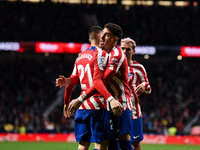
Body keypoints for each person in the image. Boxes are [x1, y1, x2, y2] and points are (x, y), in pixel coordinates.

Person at [68, 23, 134, 150]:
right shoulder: (101, 54)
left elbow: (101, 81)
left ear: (115, 40)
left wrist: (80, 99)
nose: (102, 37)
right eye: (102, 34)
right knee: (110, 143)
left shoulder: (117, 54)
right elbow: (95, 80)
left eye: (107, 35)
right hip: (108, 103)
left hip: (121, 103)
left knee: (124, 142)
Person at [56, 26, 113, 150]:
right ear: (101, 38)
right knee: (101, 144)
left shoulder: (80, 57)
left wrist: (66, 102)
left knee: (82, 145)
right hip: (98, 105)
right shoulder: (102, 54)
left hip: (82, 108)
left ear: (89, 39)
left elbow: (70, 81)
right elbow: (99, 81)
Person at [121, 37, 152, 150]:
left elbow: (149, 89)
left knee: (136, 144)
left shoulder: (139, 68)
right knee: (117, 143)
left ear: (133, 51)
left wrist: (144, 85)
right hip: (118, 112)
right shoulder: (114, 67)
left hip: (134, 112)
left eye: (128, 49)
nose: (125, 51)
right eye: (123, 48)